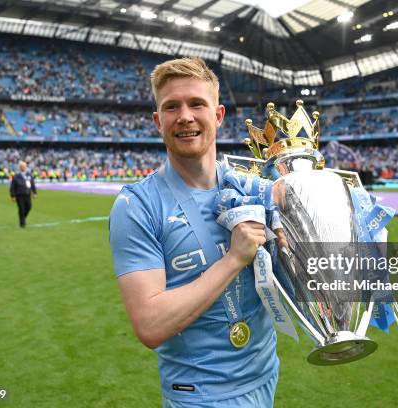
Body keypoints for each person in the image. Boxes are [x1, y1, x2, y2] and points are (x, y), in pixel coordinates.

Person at [109, 58, 278, 407]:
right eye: (172, 107)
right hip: (201, 395)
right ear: (159, 121)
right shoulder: (137, 206)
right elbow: (150, 325)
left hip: (265, 375)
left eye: (196, 103)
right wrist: (233, 259)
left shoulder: (250, 187)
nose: (185, 116)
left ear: (218, 115)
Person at [10, 160, 37, 228]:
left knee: (29, 207)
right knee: (21, 209)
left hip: (27, 194)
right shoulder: (16, 176)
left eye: (24, 166)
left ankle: (23, 218)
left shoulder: (29, 175)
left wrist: (34, 192)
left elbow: (32, 184)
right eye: (22, 166)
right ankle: (22, 223)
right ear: (20, 167)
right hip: (19, 195)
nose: (23, 167)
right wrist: (13, 196)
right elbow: (12, 186)